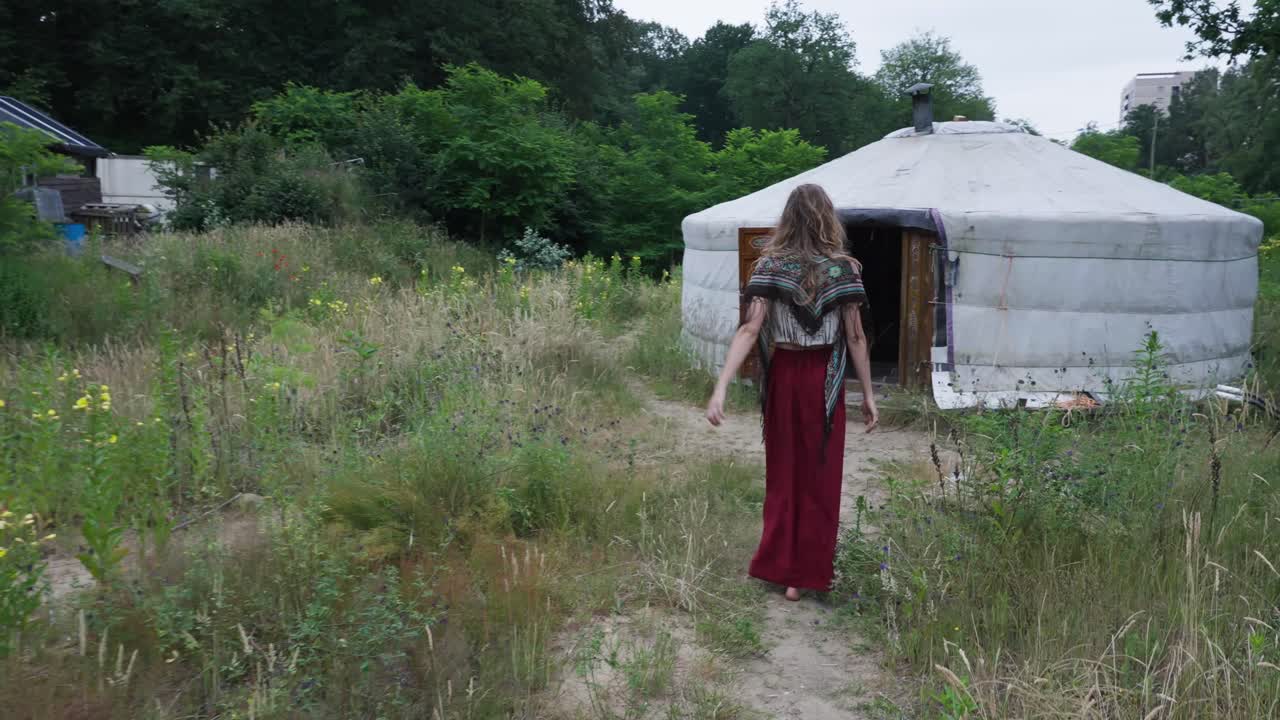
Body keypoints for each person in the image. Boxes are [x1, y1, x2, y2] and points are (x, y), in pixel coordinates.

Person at [705, 183, 878, 602]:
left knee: (785, 472)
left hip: (785, 373)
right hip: (824, 379)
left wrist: (721, 387)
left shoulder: (769, 266)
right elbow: (855, 338)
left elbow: (749, 329)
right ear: (827, 218)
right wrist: (868, 395)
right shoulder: (845, 269)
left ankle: (783, 570)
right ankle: (808, 574)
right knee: (821, 473)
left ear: (788, 218)